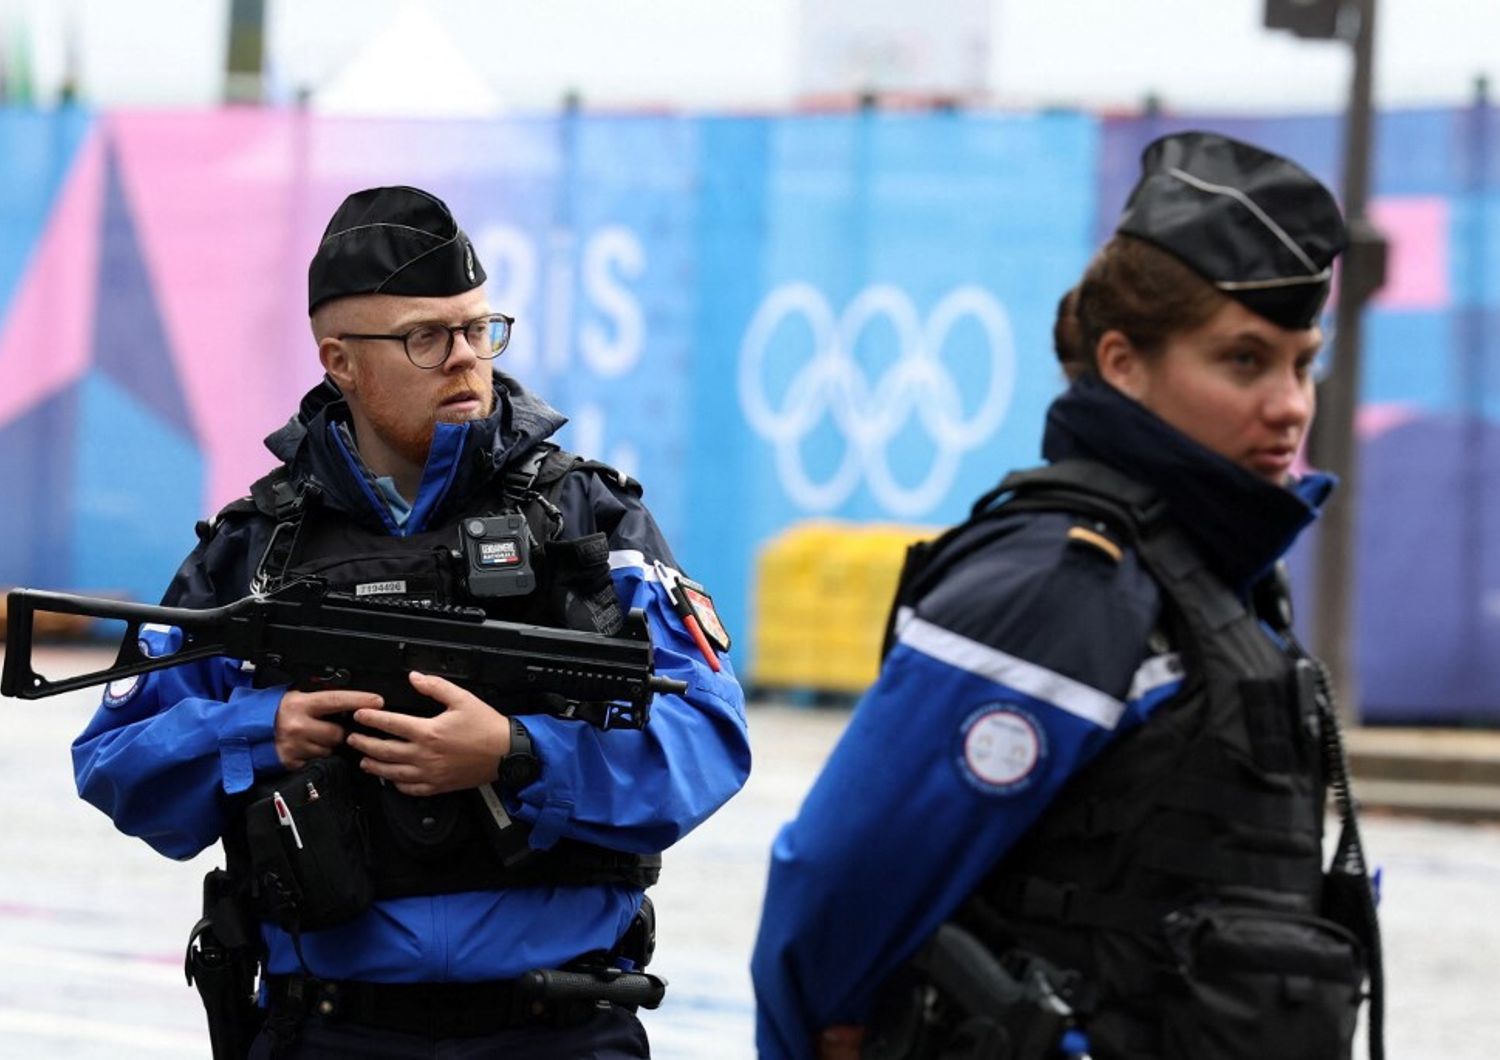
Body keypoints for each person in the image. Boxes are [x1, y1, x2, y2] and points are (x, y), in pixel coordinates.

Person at [72, 185, 751, 1058]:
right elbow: (113, 759)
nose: (467, 360)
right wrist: (258, 731)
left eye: (478, 329)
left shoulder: (588, 521)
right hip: (328, 1026)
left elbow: (708, 733)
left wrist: (519, 753)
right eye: (425, 338)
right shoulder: (257, 548)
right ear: (339, 361)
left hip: (558, 1029)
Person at [751, 132, 1383, 1060]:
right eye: (1244, 361)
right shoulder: (1068, 581)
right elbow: (838, 884)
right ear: (1124, 363)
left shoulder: (1222, 581)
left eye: (1302, 363)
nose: (1289, 404)